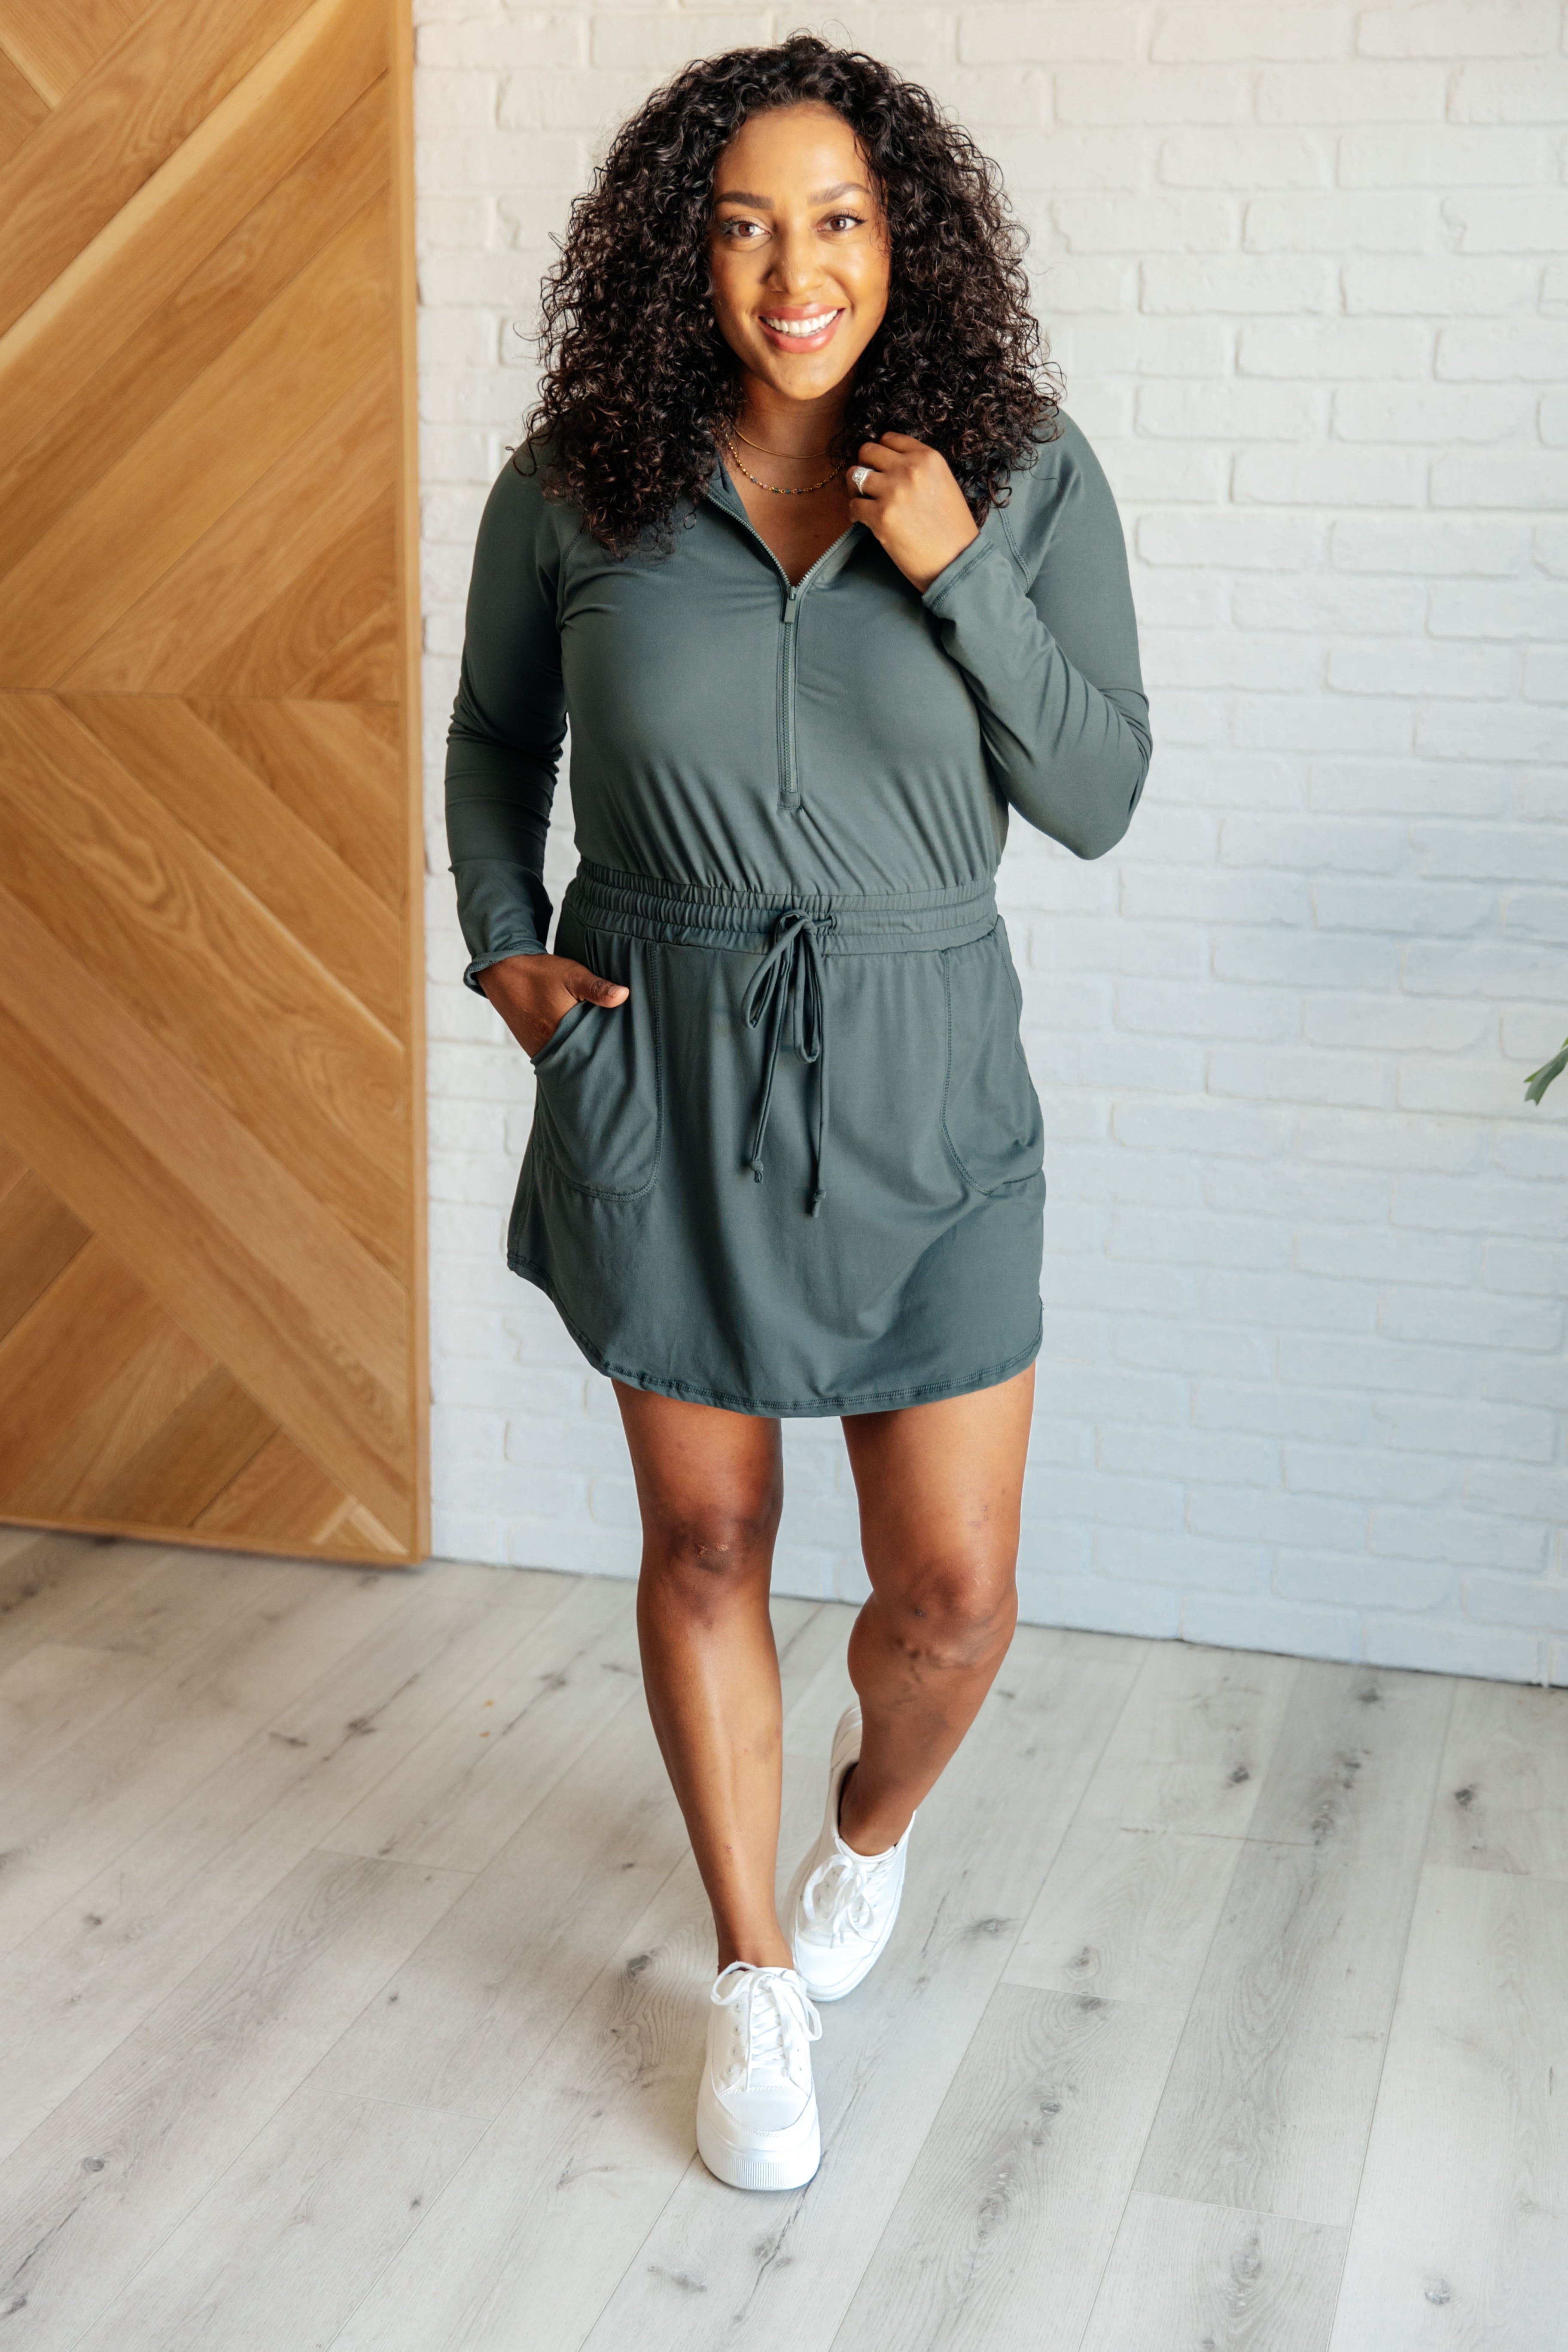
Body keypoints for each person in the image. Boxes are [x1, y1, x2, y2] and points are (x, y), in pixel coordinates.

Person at [445, 34, 1150, 2193]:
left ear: (901, 239)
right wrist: (506, 948)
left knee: (951, 1595)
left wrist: (955, 564)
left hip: (926, 1069)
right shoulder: (580, 480)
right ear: (681, 254)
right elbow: (492, 738)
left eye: (834, 219)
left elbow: (1098, 793)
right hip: (659, 1056)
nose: (792, 269)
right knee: (706, 1540)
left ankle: (862, 1829)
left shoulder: (1017, 474)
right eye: (742, 225)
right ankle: (753, 1967)